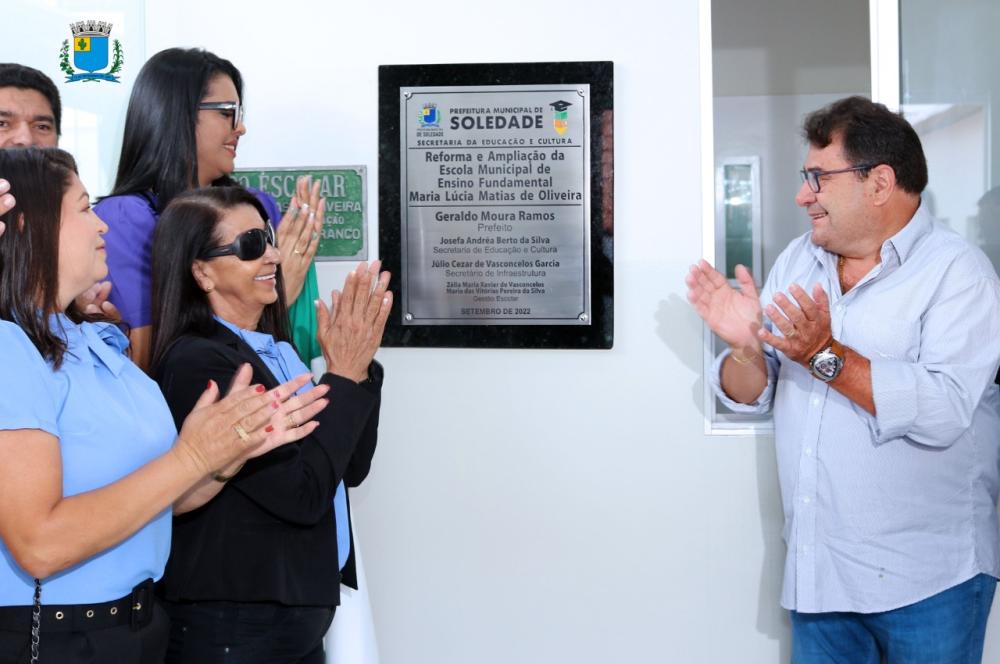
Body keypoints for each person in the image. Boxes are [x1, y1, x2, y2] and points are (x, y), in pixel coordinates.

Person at [687, 96, 1000, 663]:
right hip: (820, 575)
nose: (802, 195)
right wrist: (745, 347)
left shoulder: (959, 274)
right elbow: (754, 392)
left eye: (818, 178)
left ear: (879, 182)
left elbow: (945, 410)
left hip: (929, 580)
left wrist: (823, 354)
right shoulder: (798, 259)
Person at [0, 148, 331, 663]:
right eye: (85, 209)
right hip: (60, 635)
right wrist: (192, 457)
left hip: (138, 625)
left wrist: (225, 456)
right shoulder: (9, 345)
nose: (102, 226)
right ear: (30, 225)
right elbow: (39, 544)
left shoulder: (91, 341)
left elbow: (159, 500)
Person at [147, 186, 390, 663]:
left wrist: (356, 370)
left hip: (289, 620)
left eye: (270, 239)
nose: (275, 256)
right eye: (251, 245)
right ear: (201, 272)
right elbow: (300, 493)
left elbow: (350, 466)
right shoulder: (200, 362)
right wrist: (341, 376)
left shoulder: (276, 350)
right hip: (236, 622)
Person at [95, 47, 324, 370]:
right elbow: (147, 361)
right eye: (227, 112)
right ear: (177, 114)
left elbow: (290, 345)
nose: (240, 128)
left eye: (240, 113)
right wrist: (271, 293)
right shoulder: (126, 219)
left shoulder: (259, 208)